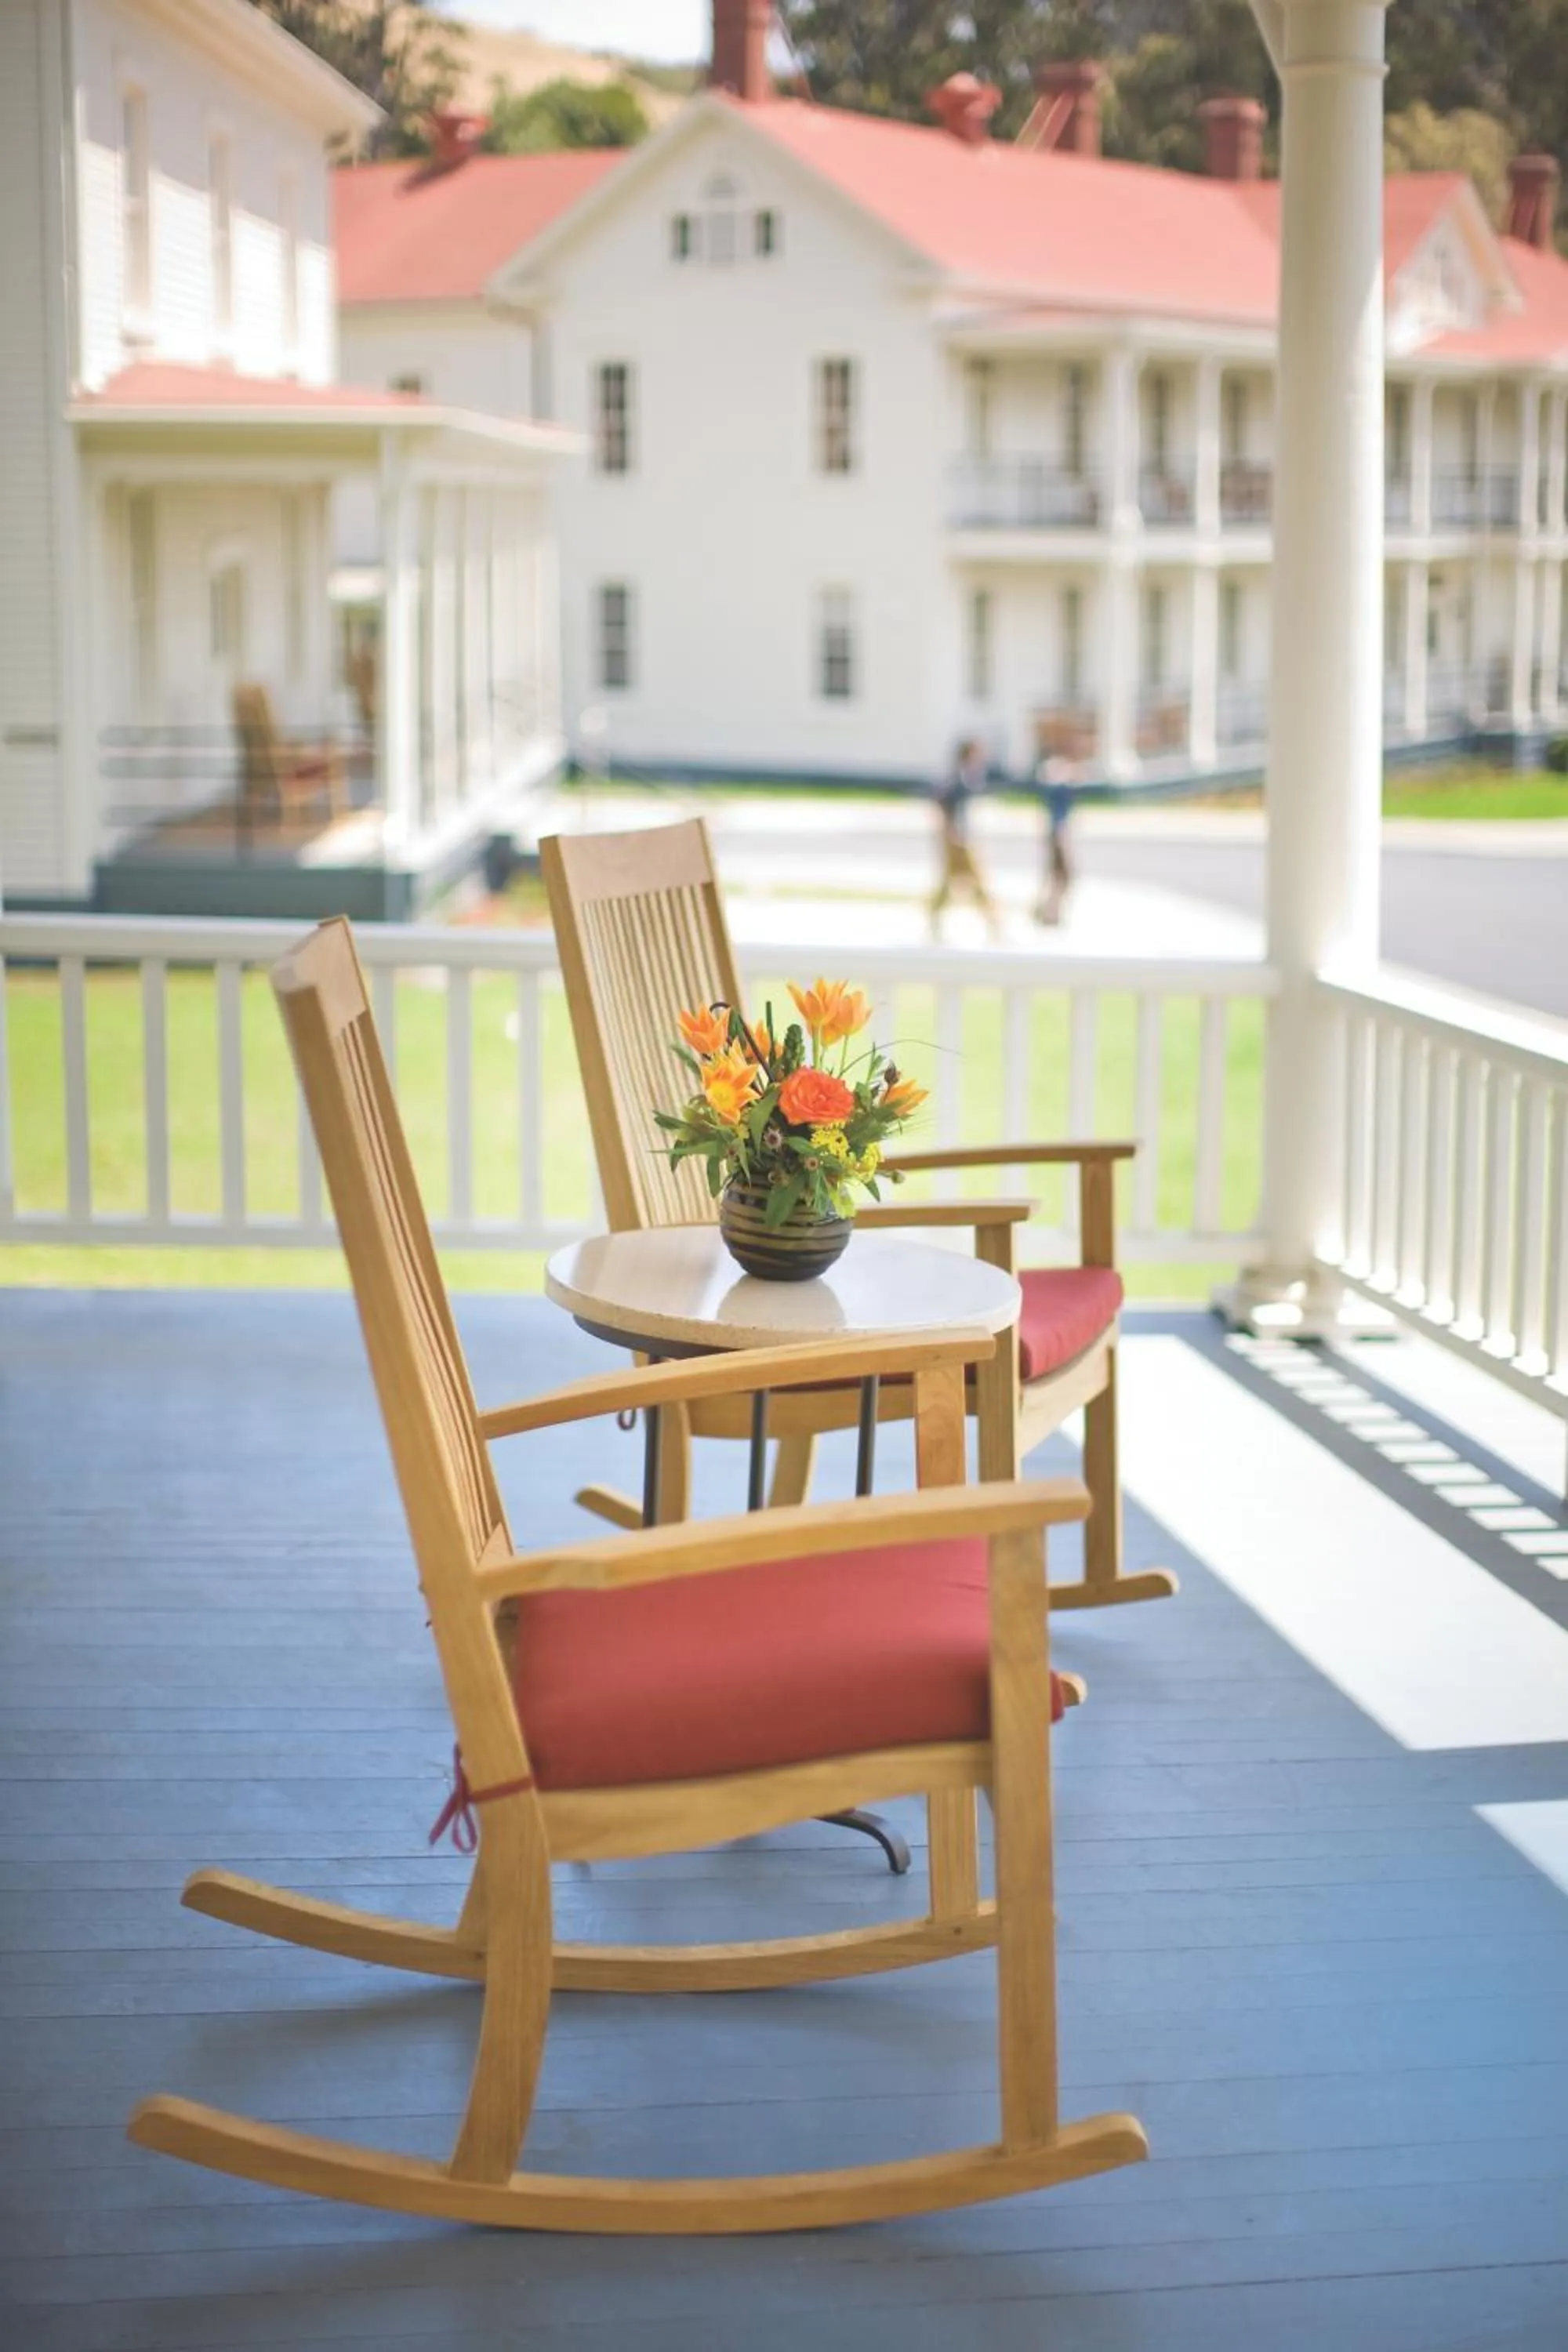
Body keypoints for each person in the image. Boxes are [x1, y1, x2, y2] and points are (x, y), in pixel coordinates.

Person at [929, 739, 1000, 934]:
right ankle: (994, 924)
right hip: (959, 840)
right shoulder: (957, 780)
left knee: (950, 882)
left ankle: (934, 921)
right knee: (977, 880)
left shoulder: (967, 778)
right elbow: (943, 806)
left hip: (961, 837)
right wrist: (952, 834)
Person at [1034, 750, 1079, 927]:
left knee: (1056, 876)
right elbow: (1059, 819)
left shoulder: (1053, 790)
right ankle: (1050, 912)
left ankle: (1049, 911)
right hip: (1059, 835)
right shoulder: (1060, 790)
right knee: (1063, 876)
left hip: (1055, 834)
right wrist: (1063, 840)